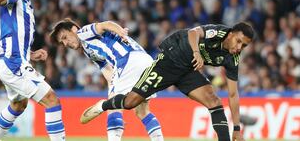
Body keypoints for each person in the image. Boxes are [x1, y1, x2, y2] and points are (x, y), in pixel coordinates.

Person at [81, 22, 255, 141]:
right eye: (238, 41)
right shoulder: (218, 32)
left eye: (244, 46)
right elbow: (193, 33)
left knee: (214, 101)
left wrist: (237, 129)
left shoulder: (233, 59)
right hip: (170, 59)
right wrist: (196, 52)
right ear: (231, 34)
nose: (239, 47)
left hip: (188, 69)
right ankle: (102, 106)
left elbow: (233, 94)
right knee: (130, 102)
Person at [0, 0, 65, 141]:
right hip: (12, 62)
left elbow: (13, 37)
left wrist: (31, 54)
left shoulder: (27, 5)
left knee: (18, 105)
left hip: (13, 60)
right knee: (52, 100)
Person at [49, 18, 164, 141]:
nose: (66, 44)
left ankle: (109, 122)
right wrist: (113, 98)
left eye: (65, 37)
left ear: (73, 29)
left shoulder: (83, 33)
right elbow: (110, 75)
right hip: (146, 61)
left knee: (113, 109)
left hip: (127, 62)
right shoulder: (90, 50)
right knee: (142, 111)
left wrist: (120, 31)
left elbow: (105, 25)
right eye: (62, 42)